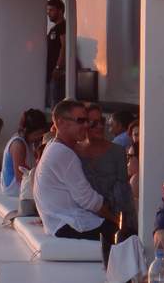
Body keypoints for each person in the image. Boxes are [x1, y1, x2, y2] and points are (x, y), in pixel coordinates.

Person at [33, 100, 118, 242]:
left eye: (87, 121)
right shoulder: (63, 153)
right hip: (70, 225)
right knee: (132, 236)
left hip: (57, 223)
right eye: (80, 121)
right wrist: (117, 220)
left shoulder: (52, 146)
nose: (86, 125)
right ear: (60, 123)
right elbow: (89, 201)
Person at [76, 103, 136, 233]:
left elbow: (123, 193)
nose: (100, 126)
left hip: (111, 218)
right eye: (94, 123)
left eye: (102, 121)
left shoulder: (117, 151)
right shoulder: (75, 151)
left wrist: (122, 223)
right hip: (81, 218)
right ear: (84, 124)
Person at [0, 109, 48, 196]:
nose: (39, 137)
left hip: (21, 185)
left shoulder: (28, 142)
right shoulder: (18, 145)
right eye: (37, 134)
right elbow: (20, 176)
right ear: (27, 131)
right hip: (14, 189)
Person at [45, 0, 66, 108]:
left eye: (51, 10)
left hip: (57, 73)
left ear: (60, 10)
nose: (49, 13)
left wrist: (58, 67)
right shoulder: (54, 28)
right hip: (49, 72)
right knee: (49, 104)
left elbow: (65, 47)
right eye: (47, 11)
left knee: (56, 106)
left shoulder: (63, 26)